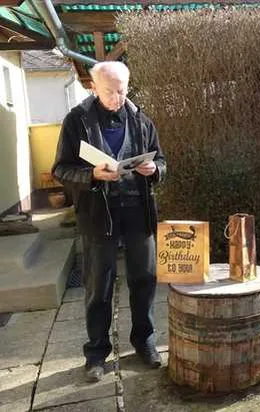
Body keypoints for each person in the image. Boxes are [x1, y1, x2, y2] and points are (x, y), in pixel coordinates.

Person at [52, 61, 167, 382]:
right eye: (109, 92)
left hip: (138, 211)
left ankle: (144, 341)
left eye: (122, 90)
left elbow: (160, 159)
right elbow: (61, 169)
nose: (117, 98)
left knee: (144, 279)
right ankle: (96, 353)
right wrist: (91, 174)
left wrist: (154, 169)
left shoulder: (141, 119)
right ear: (93, 87)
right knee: (98, 284)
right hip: (97, 213)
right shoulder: (76, 121)